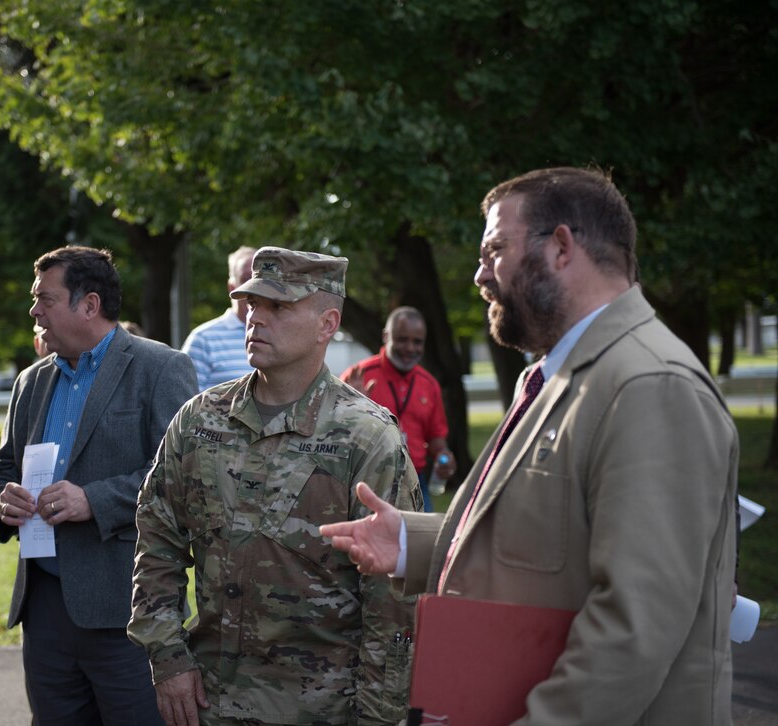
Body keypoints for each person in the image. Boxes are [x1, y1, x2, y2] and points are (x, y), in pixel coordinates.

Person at [320, 168, 739, 725]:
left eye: (494, 250)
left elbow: (634, 627)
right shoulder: (555, 376)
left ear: (562, 247)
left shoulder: (649, 386)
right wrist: (409, 541)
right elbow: (550, 538)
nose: (479, 275)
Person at [129, 247, 421, 726]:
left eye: (278, 307)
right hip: (210, 701)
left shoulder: (365, 437)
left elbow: (392, 601)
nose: (255, 317)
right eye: (253, 304)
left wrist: (378, 716)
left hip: (322, 708)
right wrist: (168, 658)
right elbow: (157, 538)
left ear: (328, 324)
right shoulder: (200, 420)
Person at [0, 245, 197, 725]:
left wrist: (95, 499)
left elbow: (180, 472)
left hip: (124, 607)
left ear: (89, 305)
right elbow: (2, 468)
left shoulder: (159, 367)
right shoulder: (30, 382)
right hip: (43, 608)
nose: (33, 310)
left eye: (45, 298)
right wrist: (7, 498)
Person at [341, 306, 455, 512]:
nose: (410, 348)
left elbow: (436, 436)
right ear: (386, 336)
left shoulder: (429, 384)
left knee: (418, 542)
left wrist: (443, 455)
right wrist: (355, 408)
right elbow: (334, 434)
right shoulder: (358, 376)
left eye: (417, 341)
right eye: (402, 339)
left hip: (415, 483)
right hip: (367, 481)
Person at [181, 245, 256, 392]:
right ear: (232, 288)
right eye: (246, 279)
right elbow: (185, 400)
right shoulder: (203, 340)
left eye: (259, 279)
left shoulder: (279, 334)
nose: (254, 287)